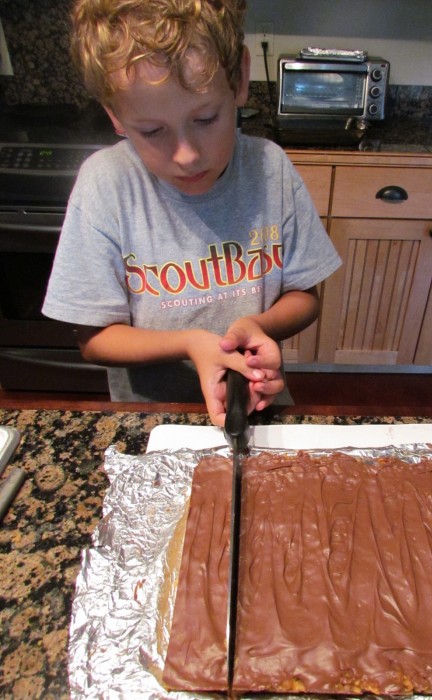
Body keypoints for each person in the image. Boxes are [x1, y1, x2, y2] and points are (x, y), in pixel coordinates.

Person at [42, 0, 341, 427]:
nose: (186, 155)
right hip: (151, 416)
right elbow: (94, 340)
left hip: (257, 405)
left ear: (238, 79)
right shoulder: (104, 186)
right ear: (115, 116)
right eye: (152, 131)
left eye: (205, 118)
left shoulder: (270, 168)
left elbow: (304, 298)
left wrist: (257, 325)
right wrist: (190, 344)